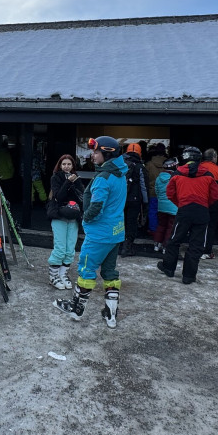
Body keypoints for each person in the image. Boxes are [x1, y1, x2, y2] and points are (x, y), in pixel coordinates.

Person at [54, 136, 127, 329]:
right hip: (115, 232)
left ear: (107, 153)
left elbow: (96, 207)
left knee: (86, 270)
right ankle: (111, 313)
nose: (92, 155)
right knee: (110, 272)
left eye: (95, 152)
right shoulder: (120, 174)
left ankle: (76, 309)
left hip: (99, 235)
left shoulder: (104, 178)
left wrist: (85, 218)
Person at [158, 146, 218, 284]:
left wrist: (180, 203)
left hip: (184, 210)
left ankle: (168, 267)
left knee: (174, 240)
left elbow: (170, 193)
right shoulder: (208, 175)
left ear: (184, 158)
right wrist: (204, 203)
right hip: (202, 211)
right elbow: (215, 194)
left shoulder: (177, 174)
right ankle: (189, 276)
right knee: (196, 245)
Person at [47, 155, 84, 290]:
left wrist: (75, 184)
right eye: (64, 164)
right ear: (60, 165)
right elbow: (59, 196)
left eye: (69, 164)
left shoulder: (77, 179)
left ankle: (63, 274)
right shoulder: (56, 178)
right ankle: (53, 276)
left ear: (73, 166)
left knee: (70, 249)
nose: (67, 167)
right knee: (60, 247)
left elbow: (82, 196)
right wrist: (68, 182)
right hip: (59, 216)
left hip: (73, 217)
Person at [198, 149, 218, 259]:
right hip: (213, 203)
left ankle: (195, 247)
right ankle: (206, 251)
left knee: (196, 226)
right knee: (210, 227)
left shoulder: (197, 168)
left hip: (196, 201)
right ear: (214, 157)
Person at [120, 143, 149, 256]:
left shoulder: (121, 165)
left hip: (121, 199)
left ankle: (118, 244)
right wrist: (146, 202)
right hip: (134, 200)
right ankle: (127, 246)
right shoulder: (140, 167)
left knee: (120, 221)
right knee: (131, 222)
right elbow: (143, 186)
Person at [152, 157, 179, 252]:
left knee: (161, 225)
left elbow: (157, 191)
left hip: (161, 206)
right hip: (173, 207)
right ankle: (165, 246)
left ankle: (156, 244)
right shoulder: (175, 178)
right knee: (170, 227)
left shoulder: (159, 178)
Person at [144, 143, 168, 236]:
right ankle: (164, 231)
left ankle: (153, 230)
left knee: (152, 211)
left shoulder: (149, 164)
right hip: (165, 193)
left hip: (152, 191)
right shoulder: (169, 163)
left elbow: (146, 178)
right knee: (165, 212)